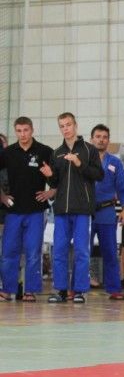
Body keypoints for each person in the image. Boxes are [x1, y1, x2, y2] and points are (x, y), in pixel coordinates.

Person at [41, 113, 104, 304]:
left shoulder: (88, 150)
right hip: (61, 209)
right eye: (62, 126)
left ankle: (78, 291)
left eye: (68, 125)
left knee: (81, 251)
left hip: (82, 208)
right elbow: (56, 182)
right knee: (59, 250)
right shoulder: (57, 152)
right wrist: (49, 176)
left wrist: (79, 163)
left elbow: (99, 175)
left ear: (75, 126)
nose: (65, 128)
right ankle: (60, 290)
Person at [0, 117, 54, 302]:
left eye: (25, 130)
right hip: (13, 212)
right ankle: (7, 289)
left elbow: (59, 176)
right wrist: (2, 196)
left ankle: (30, 291)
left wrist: (51, 192)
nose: (22, 134)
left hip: (36, 211)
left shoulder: (45, 151)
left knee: (33, 252)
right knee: (8, 252)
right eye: (19, 131)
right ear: (15, 132)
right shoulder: (7, 153)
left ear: (32, 130)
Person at [89, 124, 124, 300]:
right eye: (98, 136)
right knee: (84, 250)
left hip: (107, 210)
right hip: (86, 211)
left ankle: (115, 288)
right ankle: (77, 288)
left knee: (109, 251)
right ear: (91, 139)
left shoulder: (114, 162)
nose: (101, 140)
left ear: (108, 140)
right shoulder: (84, 161)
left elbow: (122, 186)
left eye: (104, 137)